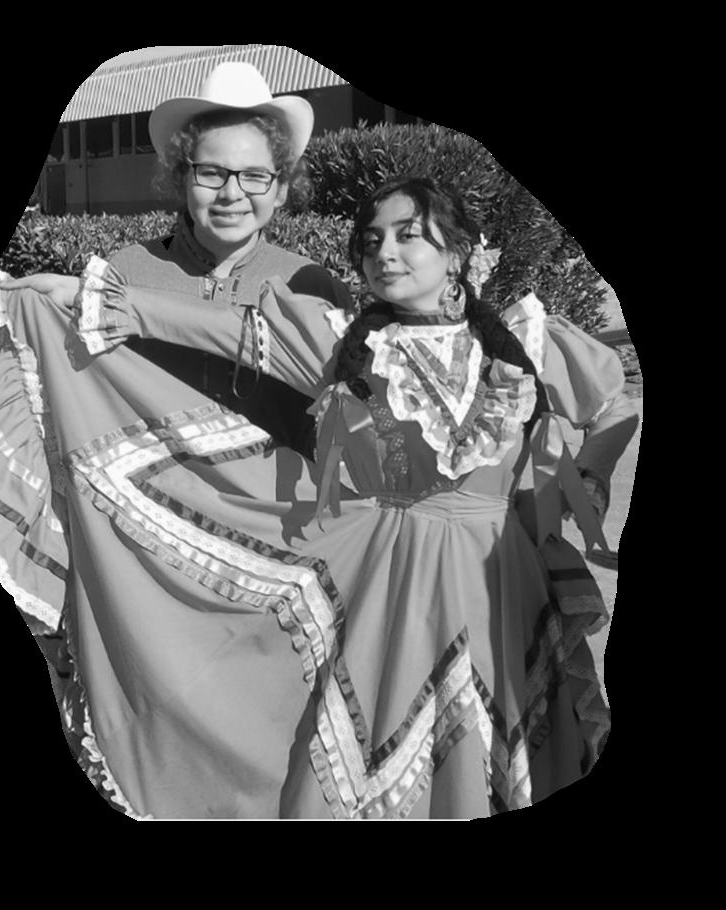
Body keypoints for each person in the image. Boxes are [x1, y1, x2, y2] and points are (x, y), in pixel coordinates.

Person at [62, 176, 638, 818]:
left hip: (502, 583)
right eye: (370, 241)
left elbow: (615, 405)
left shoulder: (527, 342)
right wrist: (99, 303)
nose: (384, 253)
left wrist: (589, 478)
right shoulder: (345, 346)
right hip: (389, 590)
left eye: (407, 236)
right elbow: (227, 330)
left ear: (457, 254)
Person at [0, 62, 350, 820]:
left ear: (282, 188)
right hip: (143, 567)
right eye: (211, 172)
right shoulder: (122, 271)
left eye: (255, 176)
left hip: (273, 562)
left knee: (276, 744)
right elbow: (65, 395)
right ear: (180, 176)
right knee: (153, 740)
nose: (232, 193)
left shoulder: (312, 284)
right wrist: (29, 308)